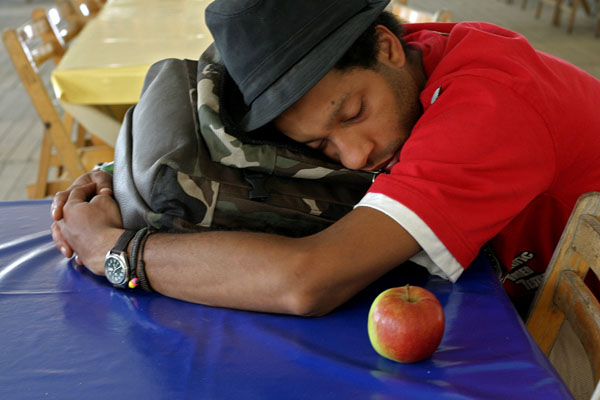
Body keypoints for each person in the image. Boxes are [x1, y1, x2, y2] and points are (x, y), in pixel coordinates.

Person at [50, 0, 600, 318]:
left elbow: (308, 281)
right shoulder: (409, 61)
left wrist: (113, 251)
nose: (356, 156)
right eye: (320, 147)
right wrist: (121, 180)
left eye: (354, 112)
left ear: (386, 46)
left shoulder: (488, 106)